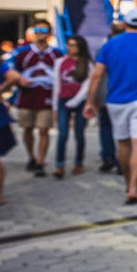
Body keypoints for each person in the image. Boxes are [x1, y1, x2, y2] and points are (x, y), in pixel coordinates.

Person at [85, 10, 137, 204]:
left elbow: (97, 75)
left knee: (123, 143)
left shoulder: (110, 44)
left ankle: (127, 183)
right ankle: (134, 186)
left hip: (116, 100)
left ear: (125, 23)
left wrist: (91, 101)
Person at [9, 18, 62, 176]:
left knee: (44, 129)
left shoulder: (56, 54)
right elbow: (9, 69)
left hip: (47, 98)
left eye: (44, 30)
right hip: (26, 97)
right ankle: (31, 156)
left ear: (50, 33)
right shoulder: (22, 53)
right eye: (37, 30)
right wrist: (19, 79)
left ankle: (40, 160)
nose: (40, 34)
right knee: (27, 128)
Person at [50, 35, 91, 178]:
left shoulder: (87, 63)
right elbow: (56, 84)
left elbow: (87, 85)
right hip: (63, 99)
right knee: (62, 134)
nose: (70, 48)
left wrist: (76, 101)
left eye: (74, 45)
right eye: (69, 45)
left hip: (80, 101)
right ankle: (60, 165)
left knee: (79, 133)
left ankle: (78, 162)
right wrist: (55, 106)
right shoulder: (60, 62)